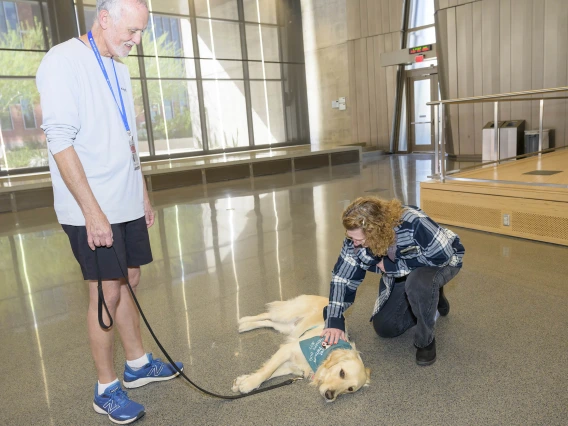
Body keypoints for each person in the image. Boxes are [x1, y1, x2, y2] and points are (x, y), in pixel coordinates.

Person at [36, 0, 182, 423]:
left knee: (130, 278)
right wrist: (92, 213)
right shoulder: (63, 61)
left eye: (140, 32)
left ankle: (137, 364)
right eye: (132, 31)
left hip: (125, 199)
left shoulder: (118, 65)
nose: (137, 41)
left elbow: (126, 134)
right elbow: (59, 141)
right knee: (105, 291)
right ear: (104, 19)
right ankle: (105, 388)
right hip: (91, 207)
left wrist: (143, 191)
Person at [321, 196, 465, 366]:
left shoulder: (414, 222)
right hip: (399, 270)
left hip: (440, 261)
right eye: (351, 238)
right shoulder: (356, 240)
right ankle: (431, 298)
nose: (354, 243)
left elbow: (443, 255)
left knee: (419, 283)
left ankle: (425, 340)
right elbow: (342, 277)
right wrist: (334, 319)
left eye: (358, 239)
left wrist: (392, 266)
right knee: (385, 328)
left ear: (376, 231)